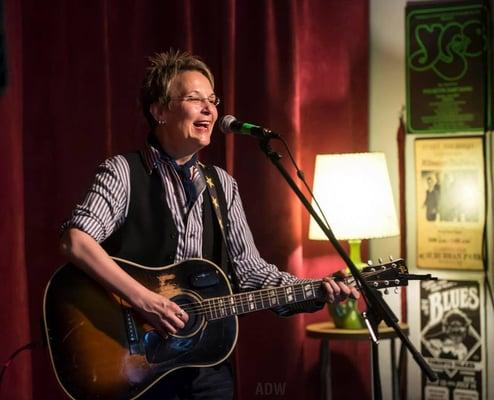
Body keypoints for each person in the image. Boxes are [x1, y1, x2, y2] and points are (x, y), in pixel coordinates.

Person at [59, 49, 359, 399]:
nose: (210, 109)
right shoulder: (123, 172)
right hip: (133, 366)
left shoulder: (223, 185)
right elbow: (76, 241)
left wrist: (315, 290)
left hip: (205, 368)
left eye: (212, 100)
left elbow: (251, 273)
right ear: (159, 111)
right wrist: (145, 301)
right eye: (194, 98)